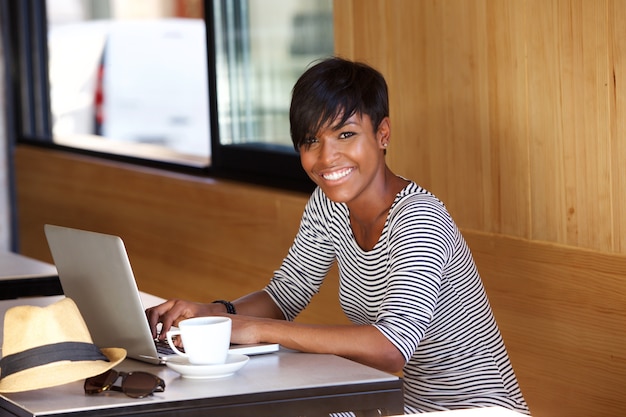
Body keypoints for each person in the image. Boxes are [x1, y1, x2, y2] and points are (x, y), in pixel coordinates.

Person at [146, 57, 530, 414]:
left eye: (345, 134)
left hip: (477, 410)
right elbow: (284, 295)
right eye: (312, 140)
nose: (326, 158)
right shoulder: (328, 204)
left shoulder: (418, 218)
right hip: (400, 405)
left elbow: (390, 348)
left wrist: (256, 329)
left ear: (383, 134)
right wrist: (213, 314)